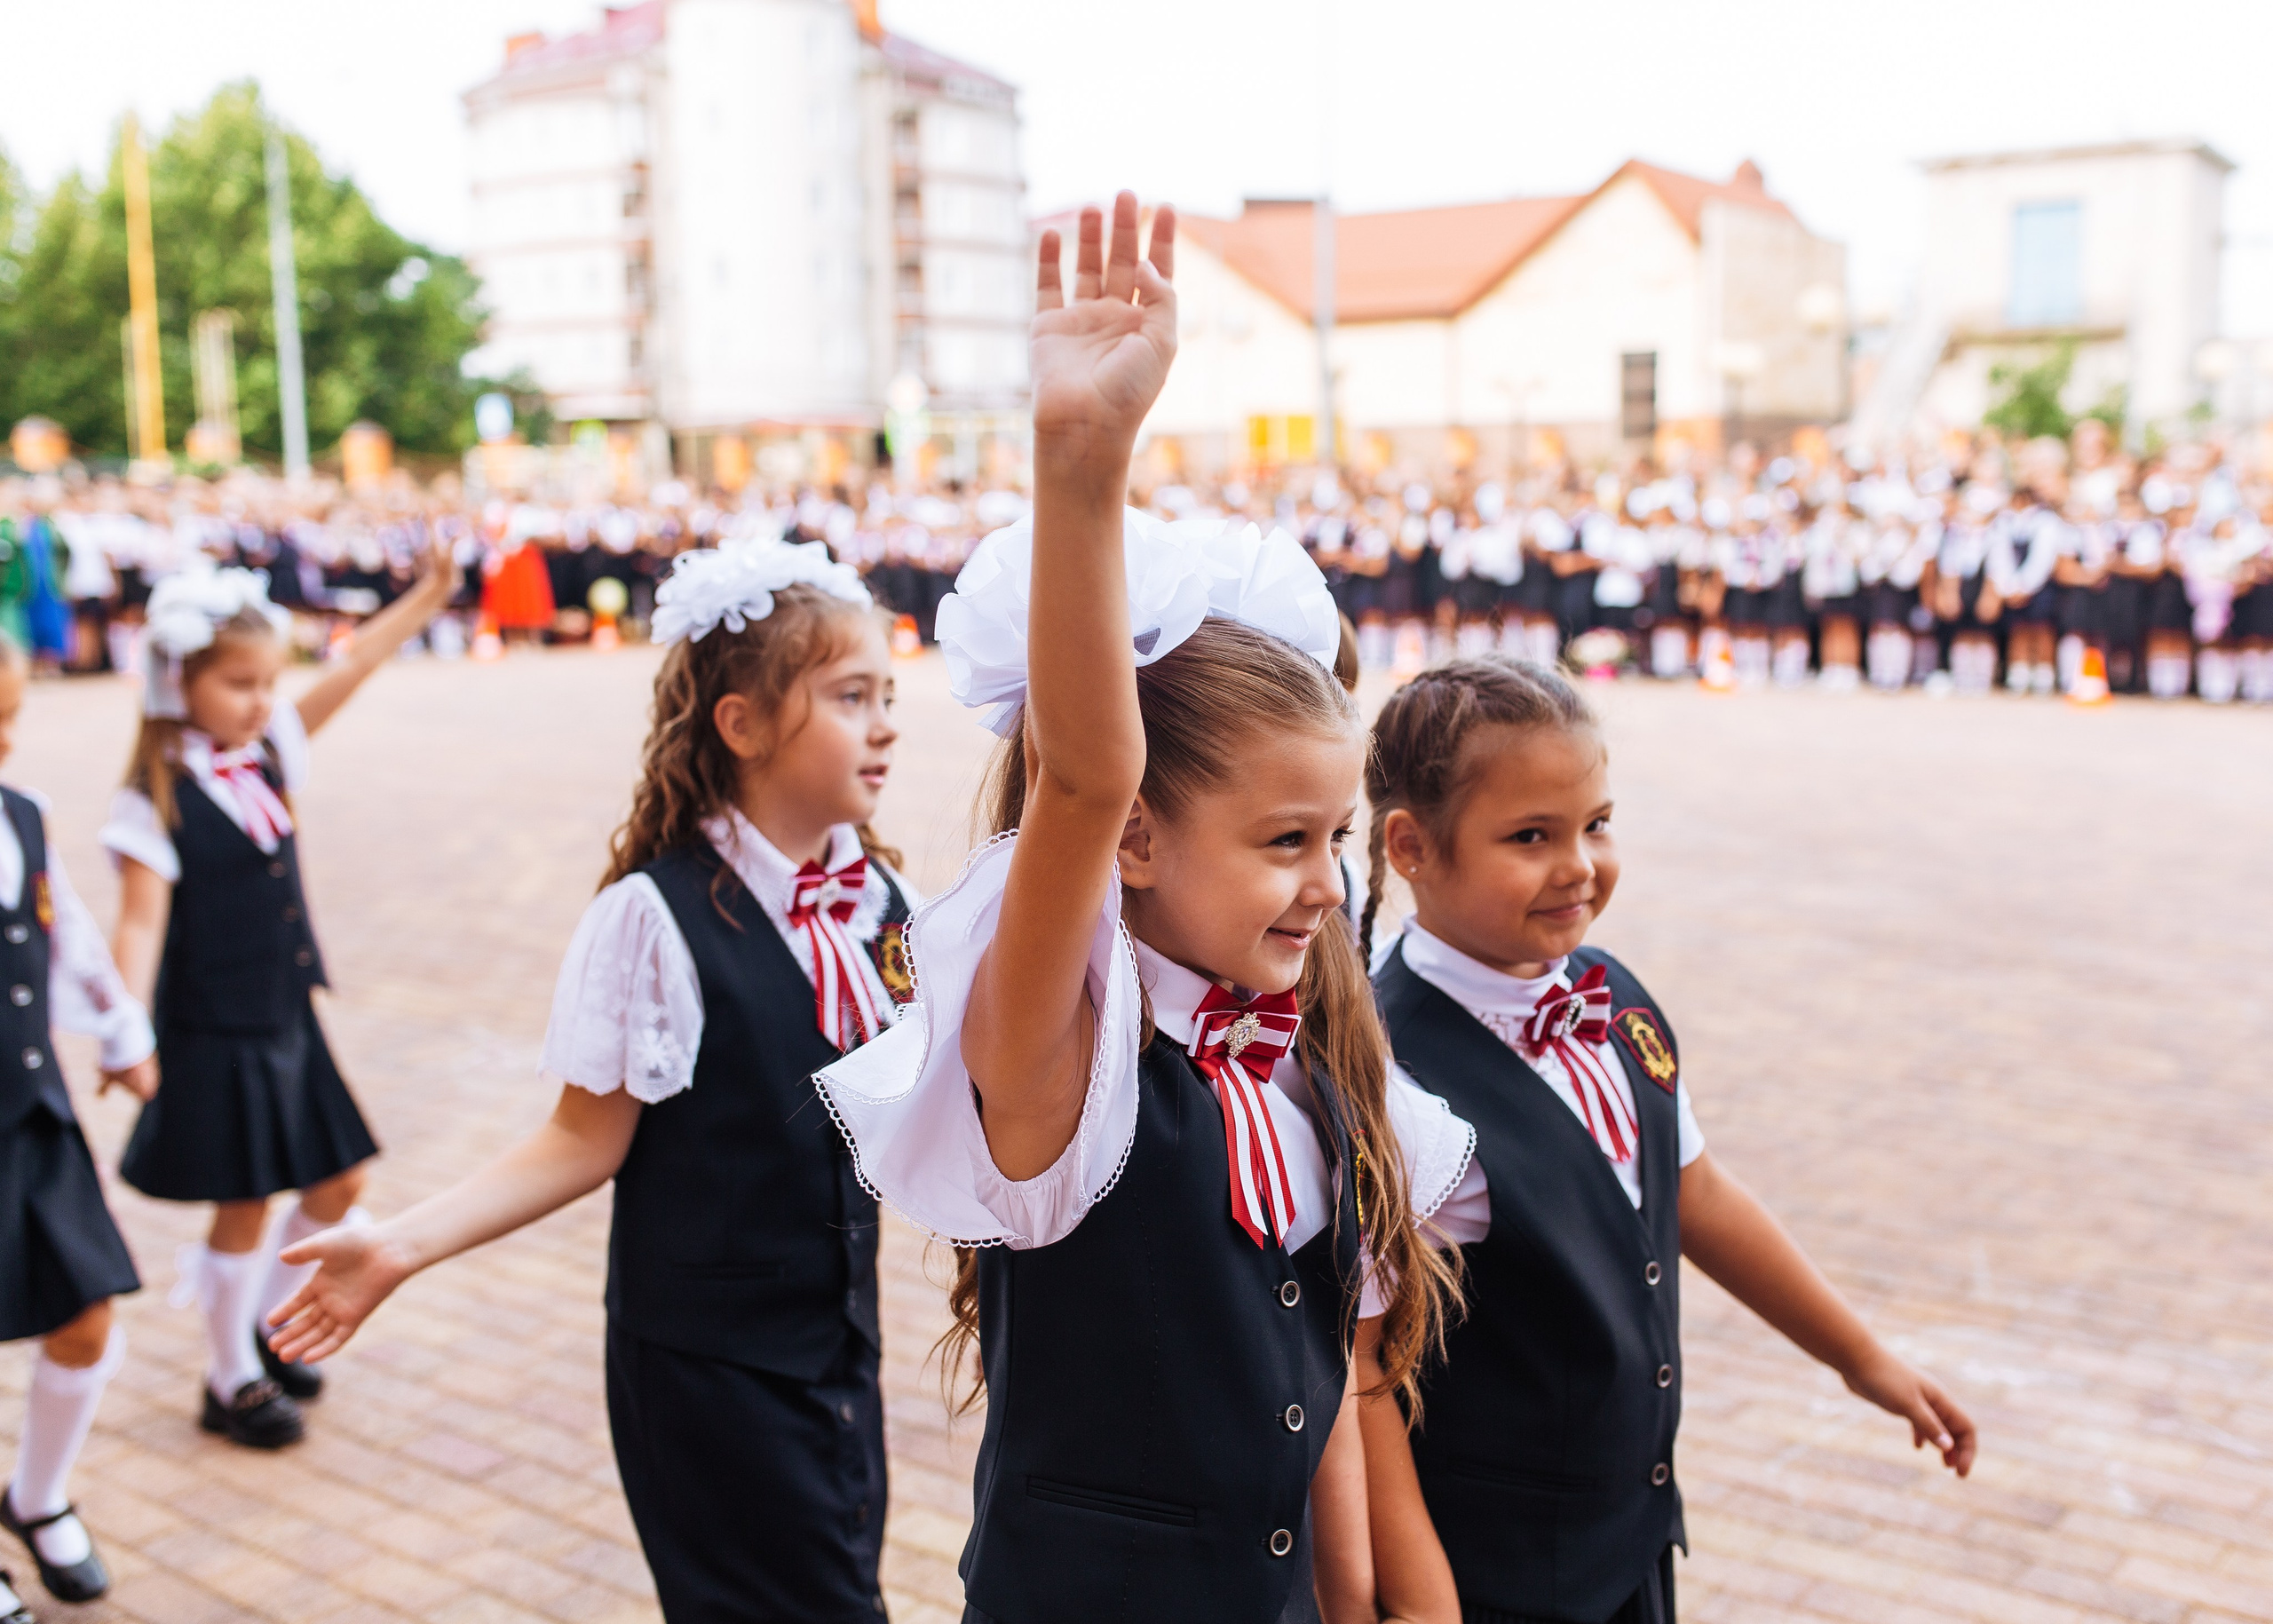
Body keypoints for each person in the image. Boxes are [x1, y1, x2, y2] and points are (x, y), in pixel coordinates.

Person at [814, 194, 1469, 1624]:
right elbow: (1082, 772)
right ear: (1136, 841)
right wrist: (1081, 461)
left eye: (1336, 836)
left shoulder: (1312, 1063)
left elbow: (1335, 1400)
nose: (1328, 881)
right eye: (1285, 839)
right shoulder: (1061, 1063)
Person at [267, 541, 917, 1621]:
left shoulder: (876, 897)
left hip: (834, 1347)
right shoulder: (653, 917)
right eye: (852, 695)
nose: (888, 720)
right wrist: (398, 1244)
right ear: (742, 723)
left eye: (889, 692)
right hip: (708, 1368)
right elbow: (582, 1139)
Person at [1361, 656, 1977, 1624]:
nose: (1578, 864)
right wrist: (1416, 1594)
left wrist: (1859, 1356)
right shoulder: (1387, 1074)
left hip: (1629, 1539)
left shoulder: (1612, 999)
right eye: (1530, 835)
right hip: (1488, 1570)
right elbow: (1364, 1375)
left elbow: (1693, 1191)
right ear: (1410, 846)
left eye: (1596, 824)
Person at [100, 547, 457, 1448]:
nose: (261, 701)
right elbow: (139, 925)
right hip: (215, 1025)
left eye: (268, 681)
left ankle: (264, 1326)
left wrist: (426, 598)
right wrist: (122, 1029)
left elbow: (356, 662)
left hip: (285, 1008)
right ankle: (230, 1377)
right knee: (246, 1200)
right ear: (179, 681)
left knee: (339, 1178)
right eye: (238, 682)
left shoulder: (264, 752)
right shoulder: (153, 799)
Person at [0, 640, 154, 1615]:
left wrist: (121, 1027)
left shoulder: (23, 815)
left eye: (7, 722)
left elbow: (63, 936)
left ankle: (37, 1492)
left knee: (86, 1314)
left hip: (30, 1111)